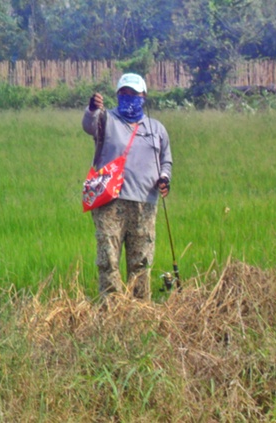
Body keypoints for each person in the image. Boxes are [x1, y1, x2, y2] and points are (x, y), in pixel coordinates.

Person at [82, 73, 172, 300]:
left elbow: (166, 160)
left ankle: (139, 313)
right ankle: (111, 311)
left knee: (141, 262)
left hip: (145, 203)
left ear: (144, 97)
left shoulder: (156, 128)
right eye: (124, 93)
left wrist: (164, 177)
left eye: (134, 94)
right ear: (117, 96)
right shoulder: (106, 119)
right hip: (110, 202)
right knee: (108, 259)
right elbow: (89, 124)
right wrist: (92, 108)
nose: (129, 98)